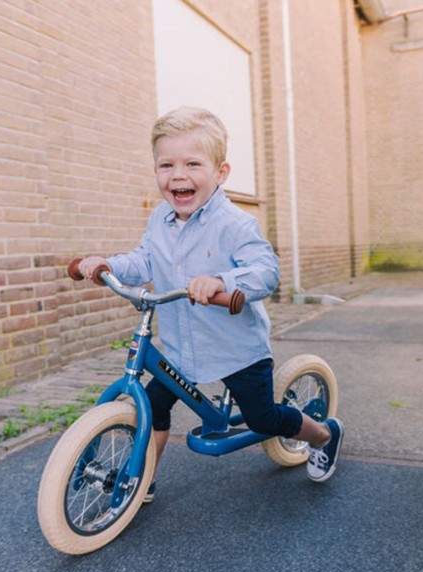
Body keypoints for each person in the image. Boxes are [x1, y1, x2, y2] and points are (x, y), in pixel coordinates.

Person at [76, 106, 344, 500]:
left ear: (220, 173)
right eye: (166, 164)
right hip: (183, 348)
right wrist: (108, 265)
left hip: (237, 349)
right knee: (152, 405)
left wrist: (222, 281)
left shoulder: (235, 224)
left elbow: (266, 270)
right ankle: (140, 477)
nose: (178, 175)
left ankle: (324, 434)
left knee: (262, 417)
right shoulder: (160, 221)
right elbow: (144, 259)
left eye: (192, 164)